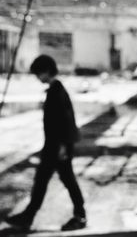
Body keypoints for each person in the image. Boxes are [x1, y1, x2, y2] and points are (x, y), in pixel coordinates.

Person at [5, 55, 87, 231]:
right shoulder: (55, 90)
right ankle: (29, 215)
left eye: (38, 74)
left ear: (46, 71)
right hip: (55, 145)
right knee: (43, 180)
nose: (37, 78)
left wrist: (63, 147)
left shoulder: (56, 92)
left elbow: (64, 121)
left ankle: (80, 215)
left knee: (65, 180)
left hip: (58, 146)